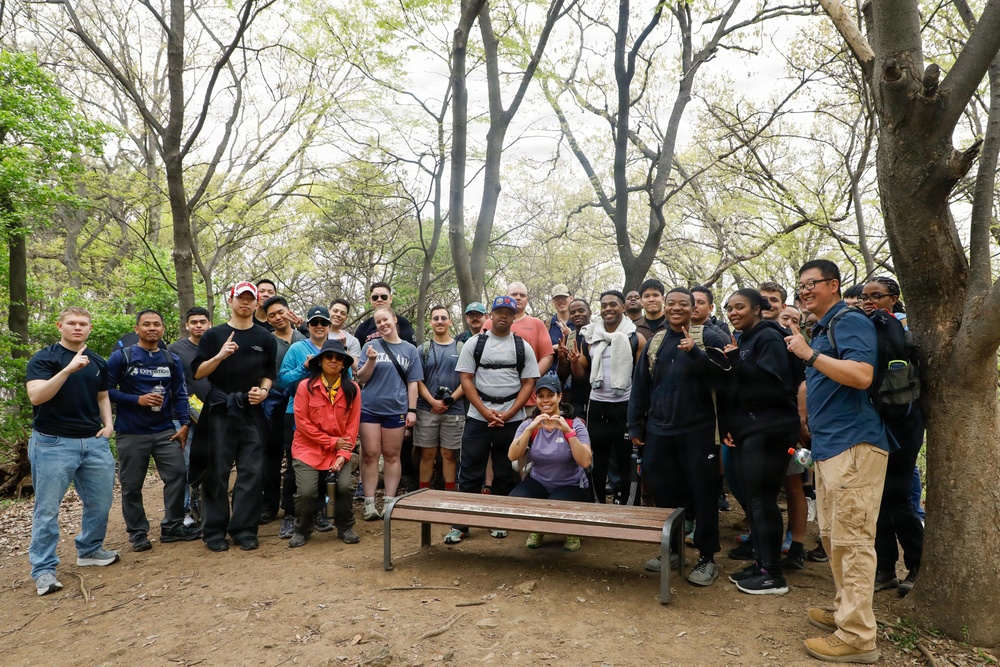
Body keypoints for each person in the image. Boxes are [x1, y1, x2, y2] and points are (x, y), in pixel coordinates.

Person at [785, 259, 888, 664]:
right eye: (801, 285)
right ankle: (846, 611)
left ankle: (859, 637)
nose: (805, 291)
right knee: (832, 536)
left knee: (852, 541)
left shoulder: (849, 320)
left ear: (833, 284)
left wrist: (809, 355)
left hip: (856, 446)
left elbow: (862, 374)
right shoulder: (824, 325)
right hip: (831, 448)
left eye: (812, 284)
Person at [628, 287, 728, 586]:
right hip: (659, 430)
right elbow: (641, 385)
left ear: (695, 307)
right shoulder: (657, 341)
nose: (675, 308)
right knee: (665, 493)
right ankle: (672, 551)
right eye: (670, 303)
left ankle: (707, 557)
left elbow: (724, 380)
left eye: (683, 304)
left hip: (699, 431)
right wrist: (635, 425)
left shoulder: (709, 338)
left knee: (704, 494)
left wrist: (695, 352)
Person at [25, 307, 119, 596]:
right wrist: (67, 370)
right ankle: (43, 570)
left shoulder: (97, 361)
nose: (78, 328)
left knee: (100, 502)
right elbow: (37, 396)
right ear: (60, 326)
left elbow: (102, 394)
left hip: (93, 442)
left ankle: (89, 550)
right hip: (52, 443)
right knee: (47, 509)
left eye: (83, 324)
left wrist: (109, 424)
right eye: (72, 323)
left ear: (90, 328)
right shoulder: (45, 358)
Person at [718, 290, 800, 595]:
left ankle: (772, 574)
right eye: (729, 308)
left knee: (763, 499)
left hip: (771, 431)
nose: (733, 312)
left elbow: (776, 385)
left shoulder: (768, 337)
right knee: (755, 499)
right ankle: (761, 562)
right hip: (750, 430)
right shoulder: (748, 338)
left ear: (757, 309)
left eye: (740, 307)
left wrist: (737, 359)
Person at [444, 295, 540, 544]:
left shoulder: (522, 347)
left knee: (504, 472)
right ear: (491, 314)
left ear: (513, 315)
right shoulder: (474, 344)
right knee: (470, 471)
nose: (503, 316)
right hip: (478, 417)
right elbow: (465, 379)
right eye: (499, 311)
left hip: (511, 417)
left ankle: (498, 521)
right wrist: (485, 411)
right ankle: (461, 524)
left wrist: (509, 413)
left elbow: (529, 382)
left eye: (508, 312)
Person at [192, 281, 277, 552]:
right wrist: (220, 355)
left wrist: (263, 392)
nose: (246, 302)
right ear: (231, 301)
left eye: (250, 298)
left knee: (252, 471)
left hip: (251, 411)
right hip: (220, 409)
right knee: (217, 471)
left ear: (256, 304)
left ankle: (244, 529)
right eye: (240, 297)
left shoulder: (265, 338)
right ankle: (214, 530)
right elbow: (198, 372)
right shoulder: (214, 335)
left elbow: (269, 374)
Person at [106, 309, 200, 552]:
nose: (152, 328)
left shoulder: (170, 359)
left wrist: (185, 424)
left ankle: (172, 527)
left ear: (163, 329)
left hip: (164, 431)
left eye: (156, 324)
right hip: (131, 432)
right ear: (137, 329)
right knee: (131, 484)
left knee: (178, 474)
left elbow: (180, 394)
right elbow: (105, 391)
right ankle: (138, 533)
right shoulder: (122, 357)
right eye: (146, 324)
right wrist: (136, 399)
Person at [861, 276, 924, 597]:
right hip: (876, 422)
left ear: (894, 297)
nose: (869, 300)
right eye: (864, 296)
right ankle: (885, 569)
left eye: (876, 295)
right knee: (878, 497)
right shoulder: (867, 325)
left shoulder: (902, 325)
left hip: (905, 422)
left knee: (898, 495)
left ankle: (917, 565)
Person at [288, 339, 362, 547]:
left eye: (339, 358)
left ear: (344, 364)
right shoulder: (305, 387)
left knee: (345, 486)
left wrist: (342, 455)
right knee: (306, 492)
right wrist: (332, 442)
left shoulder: (353, 390)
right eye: (329, 356)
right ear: (320, 361)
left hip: (340, 448)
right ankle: (302, 529)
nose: (334, 360)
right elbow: (302, 423)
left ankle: (345, 526)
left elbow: (352, 426)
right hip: (308, 449)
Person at [508, 375, 593, 551]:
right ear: (536, 399)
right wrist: (530, 428)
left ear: (560, 397)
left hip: (571, 484)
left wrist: (568, 433)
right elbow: (512, 455)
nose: (545, 400)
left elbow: (585, 461)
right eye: (541, 396)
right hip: (540, 481)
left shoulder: (575, 424)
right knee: (516, 501)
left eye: (550, 395)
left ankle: (571, 530)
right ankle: (537, 529)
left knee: (554, 505)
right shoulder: (529, 425)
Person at [574, 290, 644, 504]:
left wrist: (640, 414)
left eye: (613, 304)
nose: (608, 309)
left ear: (623, 307)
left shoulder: (635, 337)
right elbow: (580, 374)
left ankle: (628, 507)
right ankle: (597, 505)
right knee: (596, 460)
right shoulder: (590, 337)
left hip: (625, 406)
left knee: (627, 461)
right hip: (597, 406)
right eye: (604, 305)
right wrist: (575, 361)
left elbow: (641, 378)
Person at [276, 305, 337, 537]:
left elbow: (348, 380)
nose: (319, 327)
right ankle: (291, 515)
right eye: (314, 323)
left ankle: (321, 512)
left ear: (329, 326)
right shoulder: (297, 348)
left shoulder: (335, 349)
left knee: (325, 465)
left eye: (323, 323)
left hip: (329, 416)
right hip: (297, 413)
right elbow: (282, 381)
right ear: (308, 326)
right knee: (295, 465)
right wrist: (304, 368)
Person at [357, 306, 423, 520]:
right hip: (369, 408)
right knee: (369, 455)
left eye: (385, 320)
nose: (382, 324)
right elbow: (361, 377)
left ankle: (389, 501)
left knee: (393, 456)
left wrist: (411, 410)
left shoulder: (409, 350)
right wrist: (371, 360)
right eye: (378, 322)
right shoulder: (369, 346)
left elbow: (413, 383)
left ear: (394, 320)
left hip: (396, 409)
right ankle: (369, 503)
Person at [260, 296, 305, 524]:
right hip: (273, 401)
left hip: (299, 403)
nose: (278, 318)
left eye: (281, 312)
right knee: (272, 455)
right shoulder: (267, 341)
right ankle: (269, 506)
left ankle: (293, 505)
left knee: (295, 454)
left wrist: (303, 325)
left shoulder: (302, 336)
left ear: (289, 312)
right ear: (267, 319)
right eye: (272, 315)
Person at [168, 306, 212, 524]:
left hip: (214, 415)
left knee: (213, 464)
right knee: (186, 465)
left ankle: (208, 509)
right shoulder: (175, 349)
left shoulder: (216, 347)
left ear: (209, 324)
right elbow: (171, 385)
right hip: (184, 417)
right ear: (187, 325)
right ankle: (185, 511)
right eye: (194, 322)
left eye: (202, 322)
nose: (198, 326)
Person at [414, 306, 466, 491]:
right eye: (436, 318)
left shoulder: (461, 348)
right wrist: (433, 402)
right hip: (426, 409)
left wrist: (448, 401)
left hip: (454, 410)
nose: (440, 321)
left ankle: (450, 495)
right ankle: (423, 493)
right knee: (427, 454)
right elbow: (417, 380)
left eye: (444, 317)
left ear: (450, 321)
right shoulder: (423, 349)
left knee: (449, 454)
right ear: (430, 322)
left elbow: (467, 380)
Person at [556, 298, 592, 417]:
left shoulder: (598, 334)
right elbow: (563, 375)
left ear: (590, 313)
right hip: (575, 399)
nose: (577, 314)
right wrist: (562, 359)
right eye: (573, 312)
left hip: (597, 397)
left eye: (581, 310)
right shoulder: (569, 338)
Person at [353, 282, 418, 345]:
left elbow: (411, 350)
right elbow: (358, 354)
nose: (379, 300)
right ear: (370, 300)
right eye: (375, 297)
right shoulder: (363, 327)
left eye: (383, 297)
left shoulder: (402, 323)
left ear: (390, 299)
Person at [327, 298, 362, 369]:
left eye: (343, 313)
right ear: (329, 311)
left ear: (346, 317)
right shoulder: (318, 335)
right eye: (335, 311)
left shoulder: (353, 340)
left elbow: (356, 368)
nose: (338, 315)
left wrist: (344, 348)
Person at [547, 284, 574, 349]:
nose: (560, 300)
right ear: (553, 302)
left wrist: (570, 336)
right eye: (557, 298)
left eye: (564, 297)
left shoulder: (579, 322)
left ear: (571, 298)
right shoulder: (546, 325)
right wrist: (553, 348)